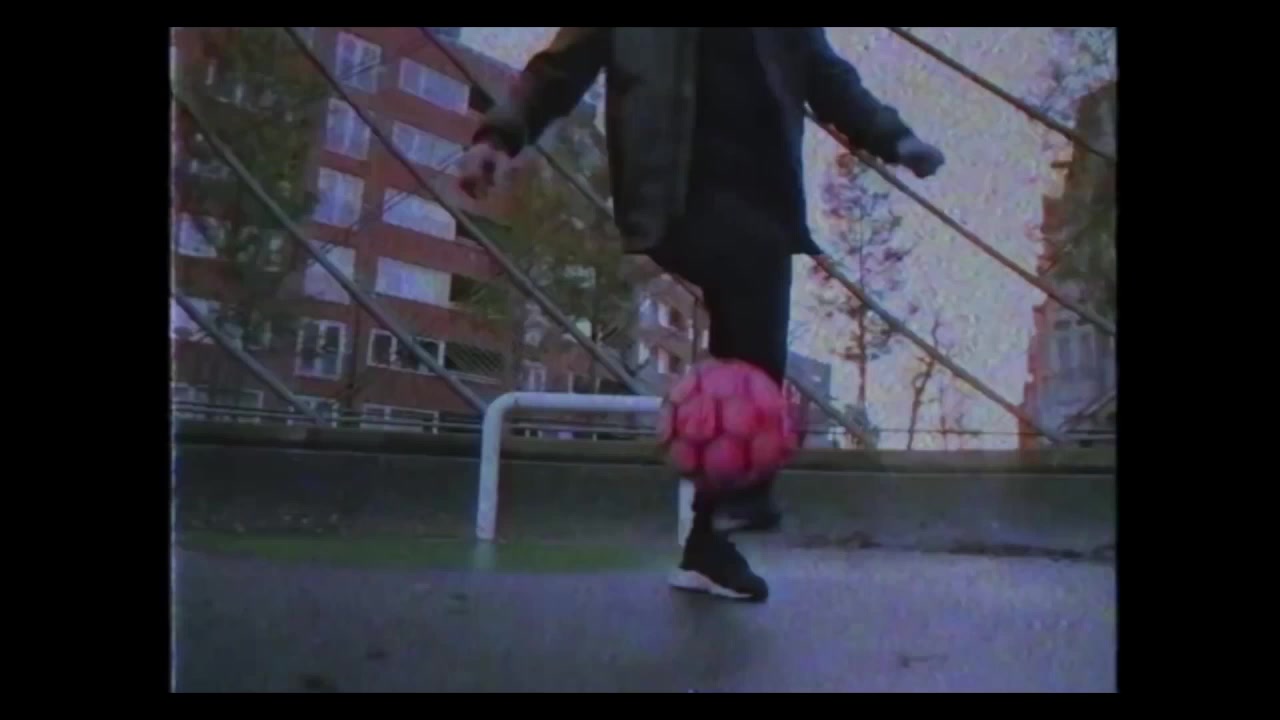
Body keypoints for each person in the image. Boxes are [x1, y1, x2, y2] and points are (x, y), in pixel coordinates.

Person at [459, 27, 944, 603]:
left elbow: (827, 77)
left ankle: (710, 547)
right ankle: (742, 494)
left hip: (765, 199)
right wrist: (499, 136)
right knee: (745, 265)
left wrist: (895, 137)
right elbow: (558, 71)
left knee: (759, 351)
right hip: (676, 190)